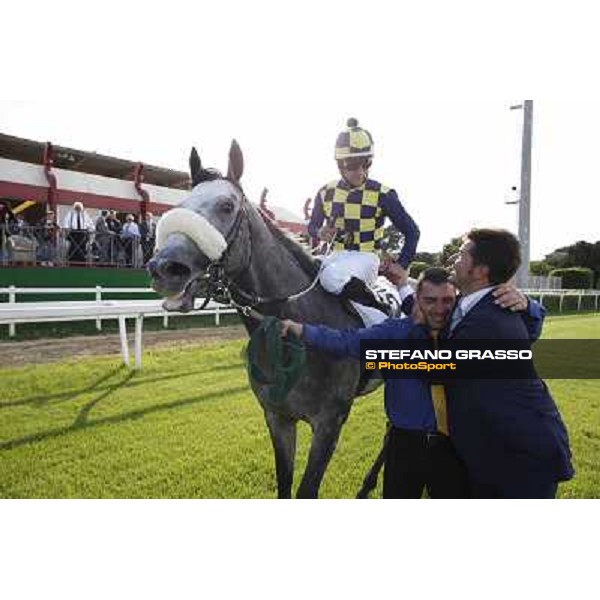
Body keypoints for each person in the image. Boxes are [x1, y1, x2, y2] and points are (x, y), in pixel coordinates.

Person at [280, 267, 544, 498]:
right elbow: (346, 341)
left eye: (447, 301)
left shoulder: (467, 330)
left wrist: (527, 305)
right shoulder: (394, 332)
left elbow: (524, 335)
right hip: (404, 445)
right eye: (430, 301)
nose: (439, 309)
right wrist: (300, 329)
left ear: (457, 300)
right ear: (417, 300)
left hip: (455, 446)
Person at [441, 228, 574, 498]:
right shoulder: (473, 305)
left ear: (480, 271)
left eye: (462, 253)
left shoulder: (489, 322)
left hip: (521, 458)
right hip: (495, 450)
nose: (454, 258)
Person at [307, 118, 420, 316]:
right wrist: (319, 231)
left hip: (366, 257)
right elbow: (312, 225)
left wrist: (401, 265)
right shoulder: (326, 191)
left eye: (365, 163)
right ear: (340, 165)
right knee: (305, 268)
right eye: (352, 165)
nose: (360, 171)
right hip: (334, 256)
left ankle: (379, 306)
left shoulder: (383, 194)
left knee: (329, 278)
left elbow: (412, 231)